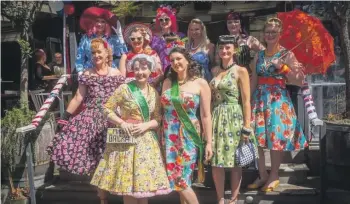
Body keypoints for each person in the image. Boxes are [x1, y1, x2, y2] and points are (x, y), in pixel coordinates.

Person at [46, 38, 125, 204]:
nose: (96, 55)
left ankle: (116, 194)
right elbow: (78, 97)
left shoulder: (117, 74)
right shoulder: (87, 74)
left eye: (99, 52)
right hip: (90, 120)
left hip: (111, 120)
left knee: (112, 159)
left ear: (107, 53)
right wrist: (65, 117)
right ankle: (103, 199)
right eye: (93, 52)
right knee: (96, 161)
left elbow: (122, 98)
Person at [91, 54, 171, 204]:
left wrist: (146, 125)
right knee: (128, 186)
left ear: (150, 71)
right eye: (136, 69)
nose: (140, 72)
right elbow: (106, 109)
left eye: (144, 68)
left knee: (143, 187)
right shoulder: (124, 89)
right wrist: (122, 123)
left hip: (146, 144)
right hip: (126, 142)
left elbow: (158, 119)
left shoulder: (154, 93)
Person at [248, 17, 308, 192]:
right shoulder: (258, 55)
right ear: (263, 34)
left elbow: (299, 80)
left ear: (279, 34)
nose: (270, 35)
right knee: (255, 137)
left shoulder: (287, 55)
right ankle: (262, 174)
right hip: (259, 100)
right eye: (267, 32)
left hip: (277, 101)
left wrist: (284, 68)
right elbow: (253, 80)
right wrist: (246, 101)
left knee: (275, 139)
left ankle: (274, 175)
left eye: (274, 32)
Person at [161, 47, 213, 204]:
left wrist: (209, 142)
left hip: (187, 136)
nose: (175, 63)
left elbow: (205, 115)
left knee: (181, 179)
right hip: (168, 136)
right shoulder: (168, 82)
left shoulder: (200, 83)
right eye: (172, 60)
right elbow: (161, 110)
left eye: (179, 59)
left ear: (188, 60)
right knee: (178, 180)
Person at [210, 35, 255, 204]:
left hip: (234, 116)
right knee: (216, 160)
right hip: (216, 116)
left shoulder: (240, 71)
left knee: (236, 160)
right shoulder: (214, 71)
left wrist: (247, 125)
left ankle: (234, 199)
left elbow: (246, 101)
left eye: (228, 47)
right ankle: (220, 199)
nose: (224, 51)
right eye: (221, 48)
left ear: (234, 49)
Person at [75, 7, 128, 75]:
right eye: (97, 21)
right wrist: (80, 71)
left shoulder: (112, 38)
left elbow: (122, 53)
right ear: (93, 23)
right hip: (90, 72)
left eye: (103, 22)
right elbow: (80, 56)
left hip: (109, 72)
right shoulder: (86, 38)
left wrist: (120, 36)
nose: (99, 24)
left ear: (107, 24)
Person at [213, 11, 265, 76]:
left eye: (236, 21)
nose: (233, 24)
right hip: (227, 77)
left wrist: (256, 64)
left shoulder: (249, 39)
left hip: (246, 76)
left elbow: (264, 52)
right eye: (229, 22)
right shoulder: (221, 41)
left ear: (240, 24)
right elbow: (217, 62)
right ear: (226, 25)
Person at [120, 23, 163, 89]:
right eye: (133, 39)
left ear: (144, 39)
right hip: (132, 89)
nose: (136, 41)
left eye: (139, 38)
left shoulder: (152, 54)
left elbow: (160, 74)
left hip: (151, 87)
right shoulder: (125, 56)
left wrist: (152, 85)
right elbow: (122, 78)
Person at [151, 5, 185, 74]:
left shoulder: (180, 36)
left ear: (172, 19)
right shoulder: (154, 38)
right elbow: (152, 54)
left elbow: (184, 53)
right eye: (161, 20)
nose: (164, 21)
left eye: (166, 19)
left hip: (176, 68)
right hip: (159, 69)